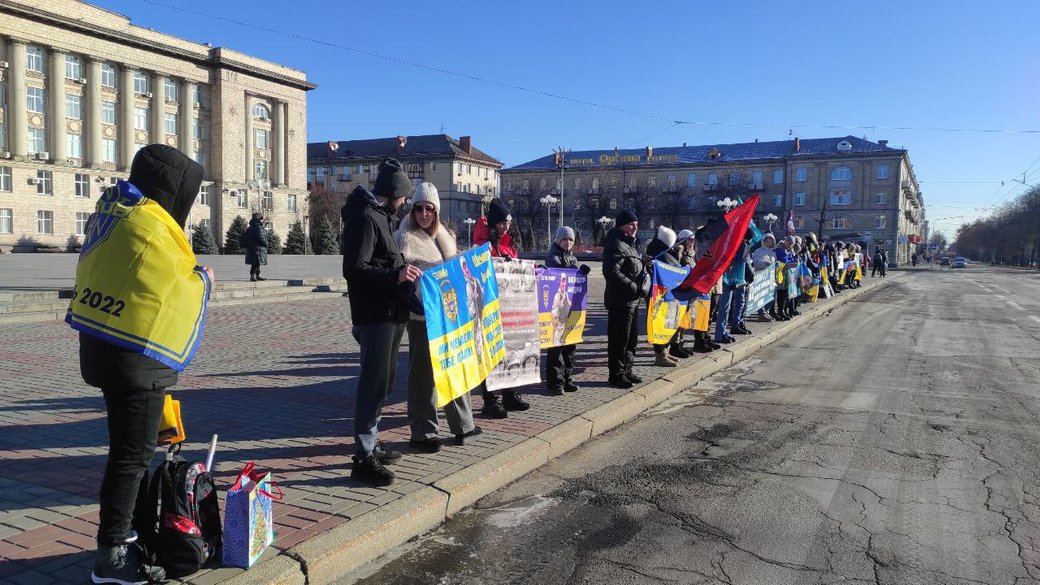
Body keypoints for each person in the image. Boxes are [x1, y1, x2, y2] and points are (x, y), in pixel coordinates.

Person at [68, 145, 208, 585]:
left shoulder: (117, 213)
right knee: (130, 457)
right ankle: (112, 557)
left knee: (127, 453)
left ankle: (128, 537)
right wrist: (203, 279)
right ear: (174, 191)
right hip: (135, 358)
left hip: (104, 348)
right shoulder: (152, 227)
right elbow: (173, 284)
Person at [341, 157, 420, 487]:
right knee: (372, 384)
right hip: (374, 315)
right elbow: (354, 269)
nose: (406, 204)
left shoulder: (383, 217)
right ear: (396, 194)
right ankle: (362, 457)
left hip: (390, 312)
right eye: (405, 197)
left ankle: (371, 443)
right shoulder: (365, 217)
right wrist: (396, 274)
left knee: (383, 383)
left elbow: (382, 260)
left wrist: (400, 270)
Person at [395, 183, 482, 452]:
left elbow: (455, 270)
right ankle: (422, 431)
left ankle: (463, 425)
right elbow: (402, 280)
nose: (424, 214)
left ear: (436, 212)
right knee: (423, 375)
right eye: (418, 208)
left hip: (449, 315)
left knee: (456, 366)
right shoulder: (404, 238)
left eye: (429, 209)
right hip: (421, 316)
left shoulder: (444, 236)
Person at [472, 198, 528, 416]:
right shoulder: (482, 245)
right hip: (489, 308)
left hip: (510, 307)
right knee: (491, 354)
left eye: (508, 222)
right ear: (493, 223)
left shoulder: (508, 245)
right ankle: (491, 399)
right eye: (502, 223)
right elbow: (477, 274)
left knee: (511, 352)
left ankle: (510, 393)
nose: (506, 226)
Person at [603, 209, 650, 389]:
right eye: (631, 224)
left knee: (631, 339)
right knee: (618, 341)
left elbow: (631, 266)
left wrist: (643, 263)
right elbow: (611, 271)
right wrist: (633, 287)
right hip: (619, 301)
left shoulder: (630, 244)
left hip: (632, 301)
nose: (634, 228)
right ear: (621, 225)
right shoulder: (615, 243)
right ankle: (616, 375)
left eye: (636, 225)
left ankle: (627, 371)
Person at [544, 226, 588, 395]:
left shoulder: (573, 258)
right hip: (557, 309)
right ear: (558, 240)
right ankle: (555, 382)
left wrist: (582, 273)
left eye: (570, 240)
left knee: (570, 345)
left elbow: (576, 280)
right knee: (556, 347)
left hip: (571, 309)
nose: (568, 243)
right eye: (565, 239)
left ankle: (567, 378)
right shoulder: (553, 258)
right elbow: (555, 276)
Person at [645, 225, 685, 366]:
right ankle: (660, 354)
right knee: (660, 324)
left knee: (668, 323)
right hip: (659, 295)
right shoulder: (659, 253)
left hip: (666, 295)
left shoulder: (664, 252)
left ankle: (665, 351)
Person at [243, 212, 268, 281]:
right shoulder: (257, 226)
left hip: (253, 247)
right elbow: (261, 237)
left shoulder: (252, 226)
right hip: (257, 248)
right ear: (259, 219)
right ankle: (253, 275)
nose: (262, 220)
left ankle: (257, 275)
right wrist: (266, 243)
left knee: (257, 262)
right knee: (255, 263)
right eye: (261, 218)